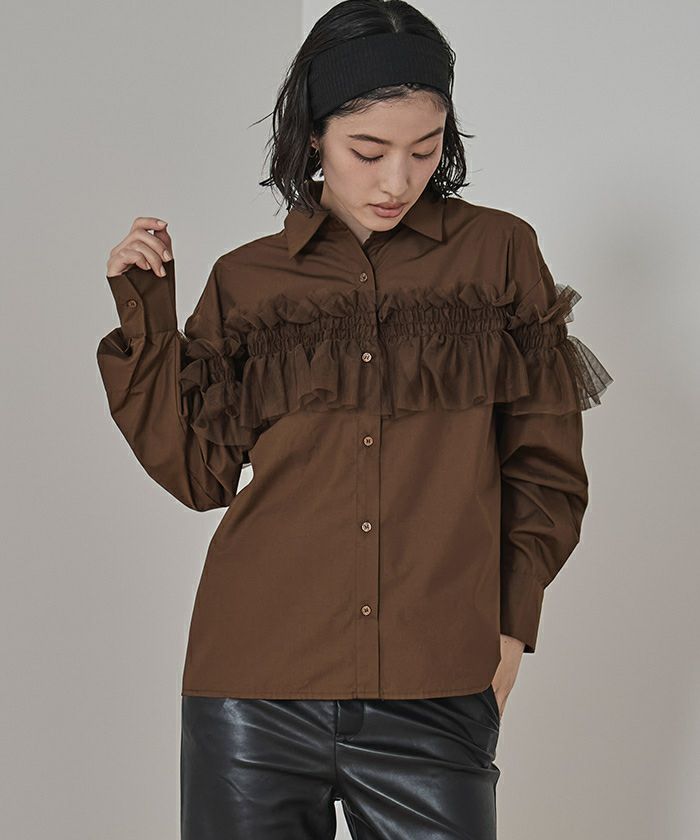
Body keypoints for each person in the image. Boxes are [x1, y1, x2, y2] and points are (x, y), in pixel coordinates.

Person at [96, 1, 613, 837]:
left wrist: (512, 628)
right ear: (313, 137)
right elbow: (198, 475)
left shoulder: (499, 256)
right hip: (252, 692)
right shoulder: (246, 281)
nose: (396, 181)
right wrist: (147, 320)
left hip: (436, 688)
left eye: (425, 149)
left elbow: (545, 469)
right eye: (367, 152)